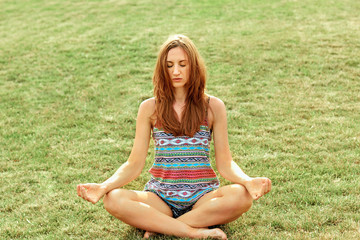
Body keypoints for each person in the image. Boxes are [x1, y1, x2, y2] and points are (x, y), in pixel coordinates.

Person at [77, 34, 272, 239]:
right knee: (113, 198)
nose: (176, 71)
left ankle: (160, 226)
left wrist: (247, 181)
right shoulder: (149, 108)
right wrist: (104, 186)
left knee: (242, 196)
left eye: (182, 64)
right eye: (169, 65)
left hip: (203, 197)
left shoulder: (213, 107)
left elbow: (226, 163)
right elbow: (134, 163)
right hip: (160, 199)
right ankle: (193, 231)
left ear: (193, 66)